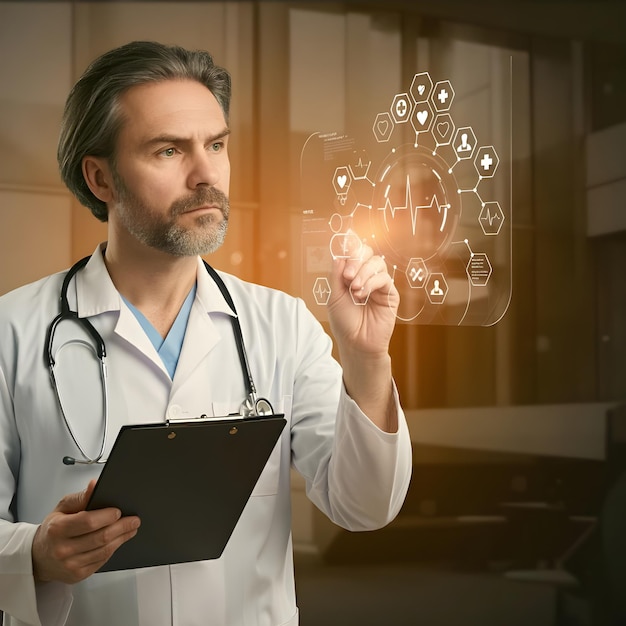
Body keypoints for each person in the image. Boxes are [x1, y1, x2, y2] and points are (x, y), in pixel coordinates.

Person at [0, 41, 412, 626]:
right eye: (168, 150)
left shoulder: (281, 325)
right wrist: (34, 555)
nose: (205, 174)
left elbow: (365, 507)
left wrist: (367, 358)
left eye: (215, 145)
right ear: (101, 179)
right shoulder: (12, 334)